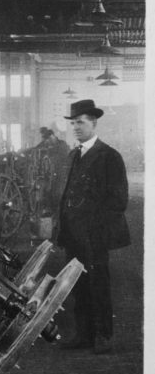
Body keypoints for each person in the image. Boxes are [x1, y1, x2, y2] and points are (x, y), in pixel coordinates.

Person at [57, 99, 130, 354]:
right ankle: (83, 334)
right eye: (73, 123)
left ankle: (102, 337)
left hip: (95, 236)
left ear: (94, 123)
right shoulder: (73, 155)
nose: (76, 127)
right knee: (78, 284)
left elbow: (119, 200)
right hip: (74, 235)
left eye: (81, 122)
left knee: (98, 284)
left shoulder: (109, 156)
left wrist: (96, 227)